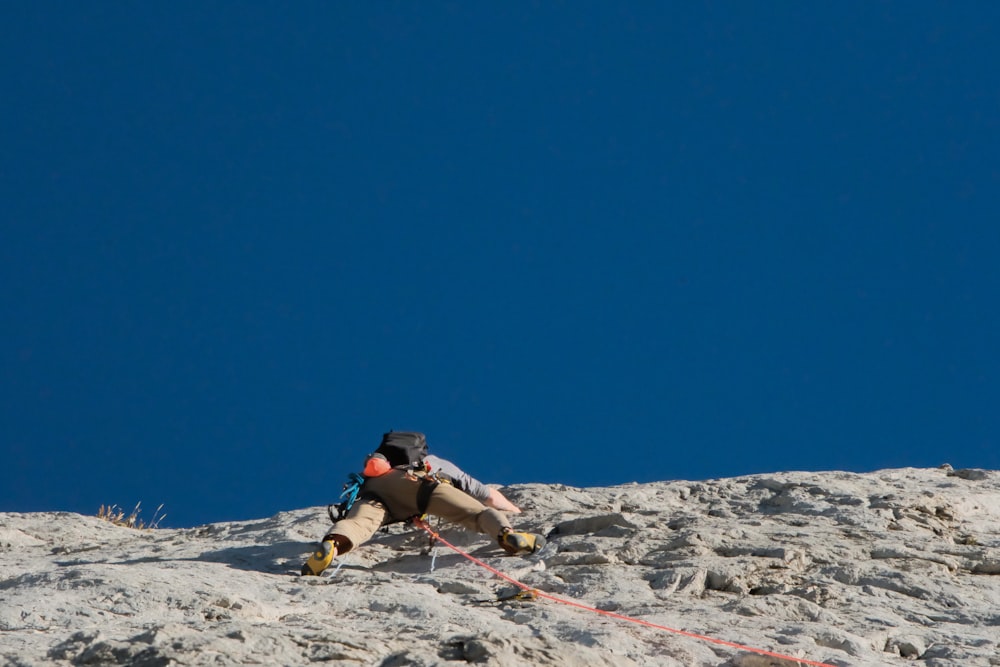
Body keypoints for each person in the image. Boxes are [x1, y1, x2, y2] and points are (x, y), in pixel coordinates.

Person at [302, 440, 543, 576]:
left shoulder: (380, 469)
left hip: (375, 492)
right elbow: (484, 494)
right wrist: (514, 510)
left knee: (359, 524)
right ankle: (507, 535)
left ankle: (333, 545)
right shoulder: (434, 462)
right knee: (476, 514)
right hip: (420, 483)